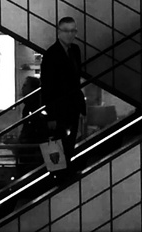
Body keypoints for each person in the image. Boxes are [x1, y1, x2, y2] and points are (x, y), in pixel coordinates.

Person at [39, 17, 86, 169]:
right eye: (66, 31)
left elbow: (75, 78)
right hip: (59, 107)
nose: (70, 34)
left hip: (72, 105)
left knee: (70, 143)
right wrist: (50, 115)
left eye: (73, 31)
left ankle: (65, 171)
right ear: (59, 32)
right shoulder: (51, 54)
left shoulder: (75, 50)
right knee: (60, 145)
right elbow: (47, 86)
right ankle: (59, 174)